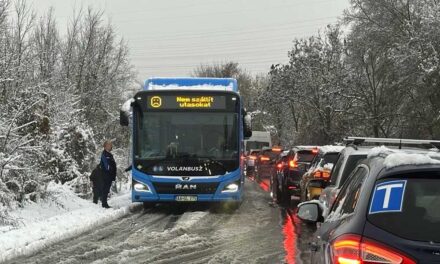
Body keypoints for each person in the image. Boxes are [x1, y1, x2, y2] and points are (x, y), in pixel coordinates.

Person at [100, 140, 117, 208]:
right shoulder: (104, 154)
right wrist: (111, 170)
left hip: (110, 175)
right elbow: (107, 166)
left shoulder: (109, 154)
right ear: (105, 146)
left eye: (111, 145)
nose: (111, 146)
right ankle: (104, 204)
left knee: (107, 189)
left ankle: (104, 203)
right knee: (105, 189)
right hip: (106, 175)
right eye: (109, 145)